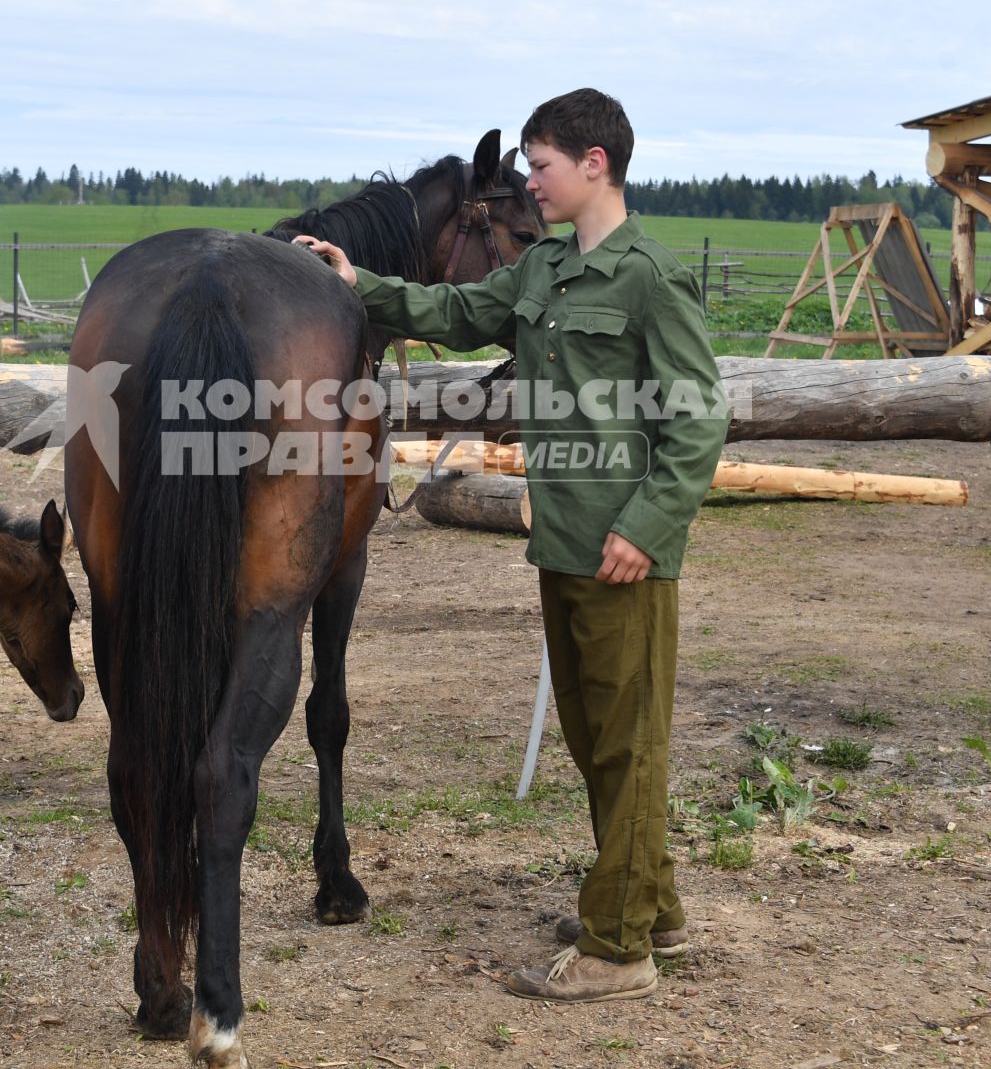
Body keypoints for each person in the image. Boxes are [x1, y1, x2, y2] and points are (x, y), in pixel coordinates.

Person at [295, 88, 728, 1003]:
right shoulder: (547, 272)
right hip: (563, 544)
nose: (529, 184)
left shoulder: (649, 275)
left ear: (595, 164)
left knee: (630, 742)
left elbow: (698, 419)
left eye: (541, 166)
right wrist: (352, 280)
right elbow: (449, 308)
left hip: (624, 549)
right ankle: (655, 908)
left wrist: (646, 531)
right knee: (597, 737)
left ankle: (619, 950)